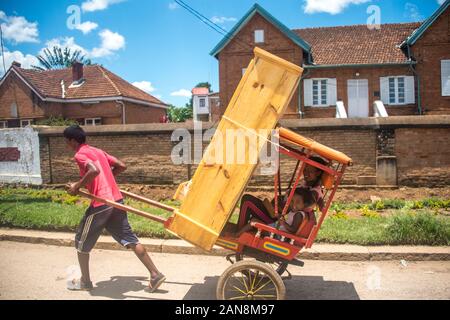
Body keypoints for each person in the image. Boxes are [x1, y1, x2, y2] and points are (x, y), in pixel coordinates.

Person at [64, 125, 165, 292]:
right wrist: (107, 178)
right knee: (130, 238)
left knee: (81, 241)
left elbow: (94, 170)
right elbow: (121, 165)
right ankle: (155, 274)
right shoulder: (98, 151)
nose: (67, 145)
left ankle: (86, 282)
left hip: (101, 204)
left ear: (73, 141)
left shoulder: (80, 154)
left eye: (67, 142)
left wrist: (77, 186)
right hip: (116, 200)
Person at [236, 156, 328, 230]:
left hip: (277, 220)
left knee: (247, 201)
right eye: (305, 170)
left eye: (310, 171)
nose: (306, 173)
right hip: (276, 213)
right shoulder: (306, 184)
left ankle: (239, 232)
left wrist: (285, 205)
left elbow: (303, 207)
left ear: (318, 173)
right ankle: (241, 230)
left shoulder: (314, 192)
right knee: (249, 199)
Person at [234, 187, 317, 238]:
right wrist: (280, 217)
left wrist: (283, 223)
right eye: (291, 201)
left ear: (305, 204)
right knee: (254, 219)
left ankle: (237, 235)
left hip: (277, 234)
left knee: (253, 221)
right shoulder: (295, 212)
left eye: (298, 202)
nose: (294, 205)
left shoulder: (299, 214)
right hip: (276, 229)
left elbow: (293, 230)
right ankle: (240, 233)